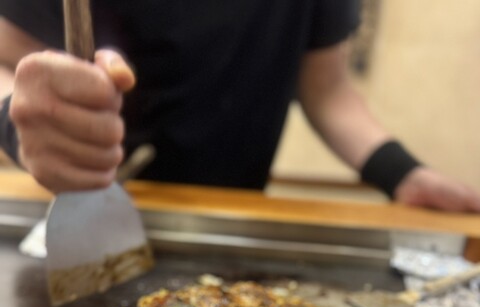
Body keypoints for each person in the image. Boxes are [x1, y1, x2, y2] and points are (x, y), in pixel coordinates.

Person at [0, 0, 479, 212]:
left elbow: (328, 92)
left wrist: (403, 174)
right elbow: (6, 61)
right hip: (86, 207)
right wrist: (16, 122)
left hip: (233, 214)